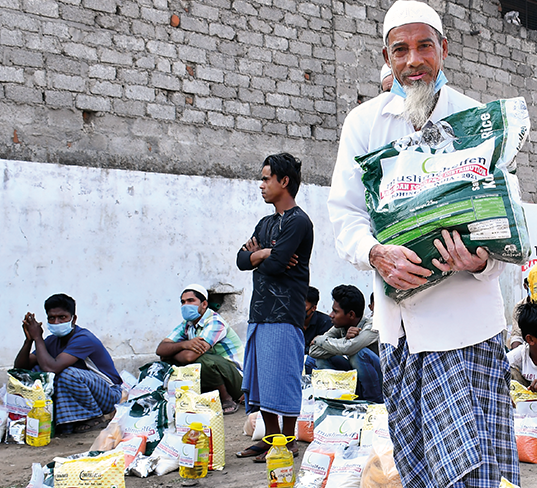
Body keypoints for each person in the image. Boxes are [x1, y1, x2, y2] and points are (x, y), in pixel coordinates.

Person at [327, 1, 518, 488]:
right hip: (401, 323)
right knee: (416, 446)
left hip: (468, 320)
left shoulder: (477, 120)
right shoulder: (364, 123)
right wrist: (375, 252)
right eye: (401, 50)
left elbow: (506, 209)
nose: (414, 61)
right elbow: (345, 213)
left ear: (444, 51)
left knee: (487, 454)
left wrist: (479, 258)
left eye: (424, 46)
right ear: (386, 58)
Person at [237, 152, 313, 460]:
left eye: (267, 178)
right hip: (260, 311)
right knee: (263, 378)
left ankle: (288, 440)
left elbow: (277, 266)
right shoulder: (265, 223)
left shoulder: (299, 222)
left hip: (285, 312)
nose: (261, 185)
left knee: (282, 377)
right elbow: (242, 260)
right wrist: (265, 254)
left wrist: (266, 257)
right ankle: (270, 438)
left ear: (284, 182)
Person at [15, 294, 122, 433]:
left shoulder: (84, 338)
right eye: (52, 318)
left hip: (109, 394)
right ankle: (70, 421)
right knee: (36, 370)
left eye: (62, 317)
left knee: (67, 373)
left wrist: (38, 337)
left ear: (73, 319)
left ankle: (94, 417)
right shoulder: (52, 340)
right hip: (85, 393)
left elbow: (51, 368)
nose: (57, 322)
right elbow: (21, 369)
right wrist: (29, 340)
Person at [156, 284, 244, 414]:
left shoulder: (215, 322)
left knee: (202, 359)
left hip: (236, 380)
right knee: (168, 362)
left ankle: (226, 398)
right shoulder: (187, 325)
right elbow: (161, 349)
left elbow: (189, 357)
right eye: (183, 302)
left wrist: (172, 352)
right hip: (217, 375)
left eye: (190, 301)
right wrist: (184, 345)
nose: (186, 305)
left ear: (204, 304)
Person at [306, 285, 383, 403]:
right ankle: (335, 398)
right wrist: (344, 340)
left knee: (359, 353)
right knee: (318, 358)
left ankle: (373, 403)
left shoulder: (372, 325)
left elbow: (349, 348)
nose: (331, 315)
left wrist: (319, 339)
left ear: (351, 315)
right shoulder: (340, 326)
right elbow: (313, 351)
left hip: (379, 384)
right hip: (357, 383)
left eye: (335, 311)